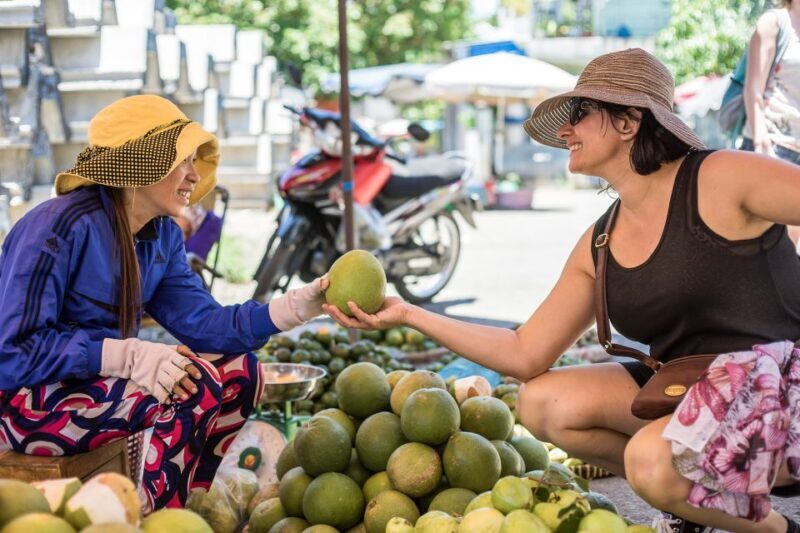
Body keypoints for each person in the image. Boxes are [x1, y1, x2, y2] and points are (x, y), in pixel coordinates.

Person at [325, 49, 800, 533]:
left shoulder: (720, 176)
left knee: (650, 459)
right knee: (543, 401)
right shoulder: (602, 240)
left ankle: (773, 528)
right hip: (691, 389)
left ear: (628, 121)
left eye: (579, 113)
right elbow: (525, 352)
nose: (565, 131)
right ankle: (697, 505)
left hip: (782, 393)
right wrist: (410, 313)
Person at [0, 95, 326, 512]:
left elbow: (207, 325)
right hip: (27, 407)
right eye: (183, 160)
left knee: (240, 372)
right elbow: (13, 353)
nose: (194, 175)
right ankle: (156, 516)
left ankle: (184, 505)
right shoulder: (56, 227)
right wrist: (126, 355)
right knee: (191, 389)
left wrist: (296, 307)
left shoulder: (162, 237)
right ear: (141, 161)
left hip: (99, 391)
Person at [743, 1, 800, 243]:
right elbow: (753, 89)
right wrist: (761, 145)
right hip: (773, 146)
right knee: (761, 241)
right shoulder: (775, 22)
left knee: (789, 244)